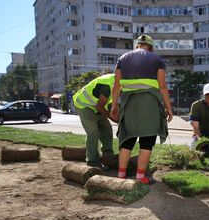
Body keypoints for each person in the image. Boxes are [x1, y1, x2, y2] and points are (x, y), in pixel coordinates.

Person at [110, 34, 173, 184]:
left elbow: (116, 85)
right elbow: (163, 87)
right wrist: (168, 108)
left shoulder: (122, 59)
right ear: (150, 47)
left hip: (129, 103)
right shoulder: (157, 60)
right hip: (149, 104)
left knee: (127, 140)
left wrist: (114, 105)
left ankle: (121, 174)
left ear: (137, 45)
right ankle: (140, 176)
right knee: (147, 141)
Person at [72, 74, 115, 167]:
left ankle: (108, 156)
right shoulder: (107, 85)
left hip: (96, 106)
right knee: (93, 132)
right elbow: (99, 106)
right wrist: (114, 119)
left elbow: (110, 103)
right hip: (84, 105)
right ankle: (92, 160)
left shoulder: (119, 84)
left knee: (107, 129)